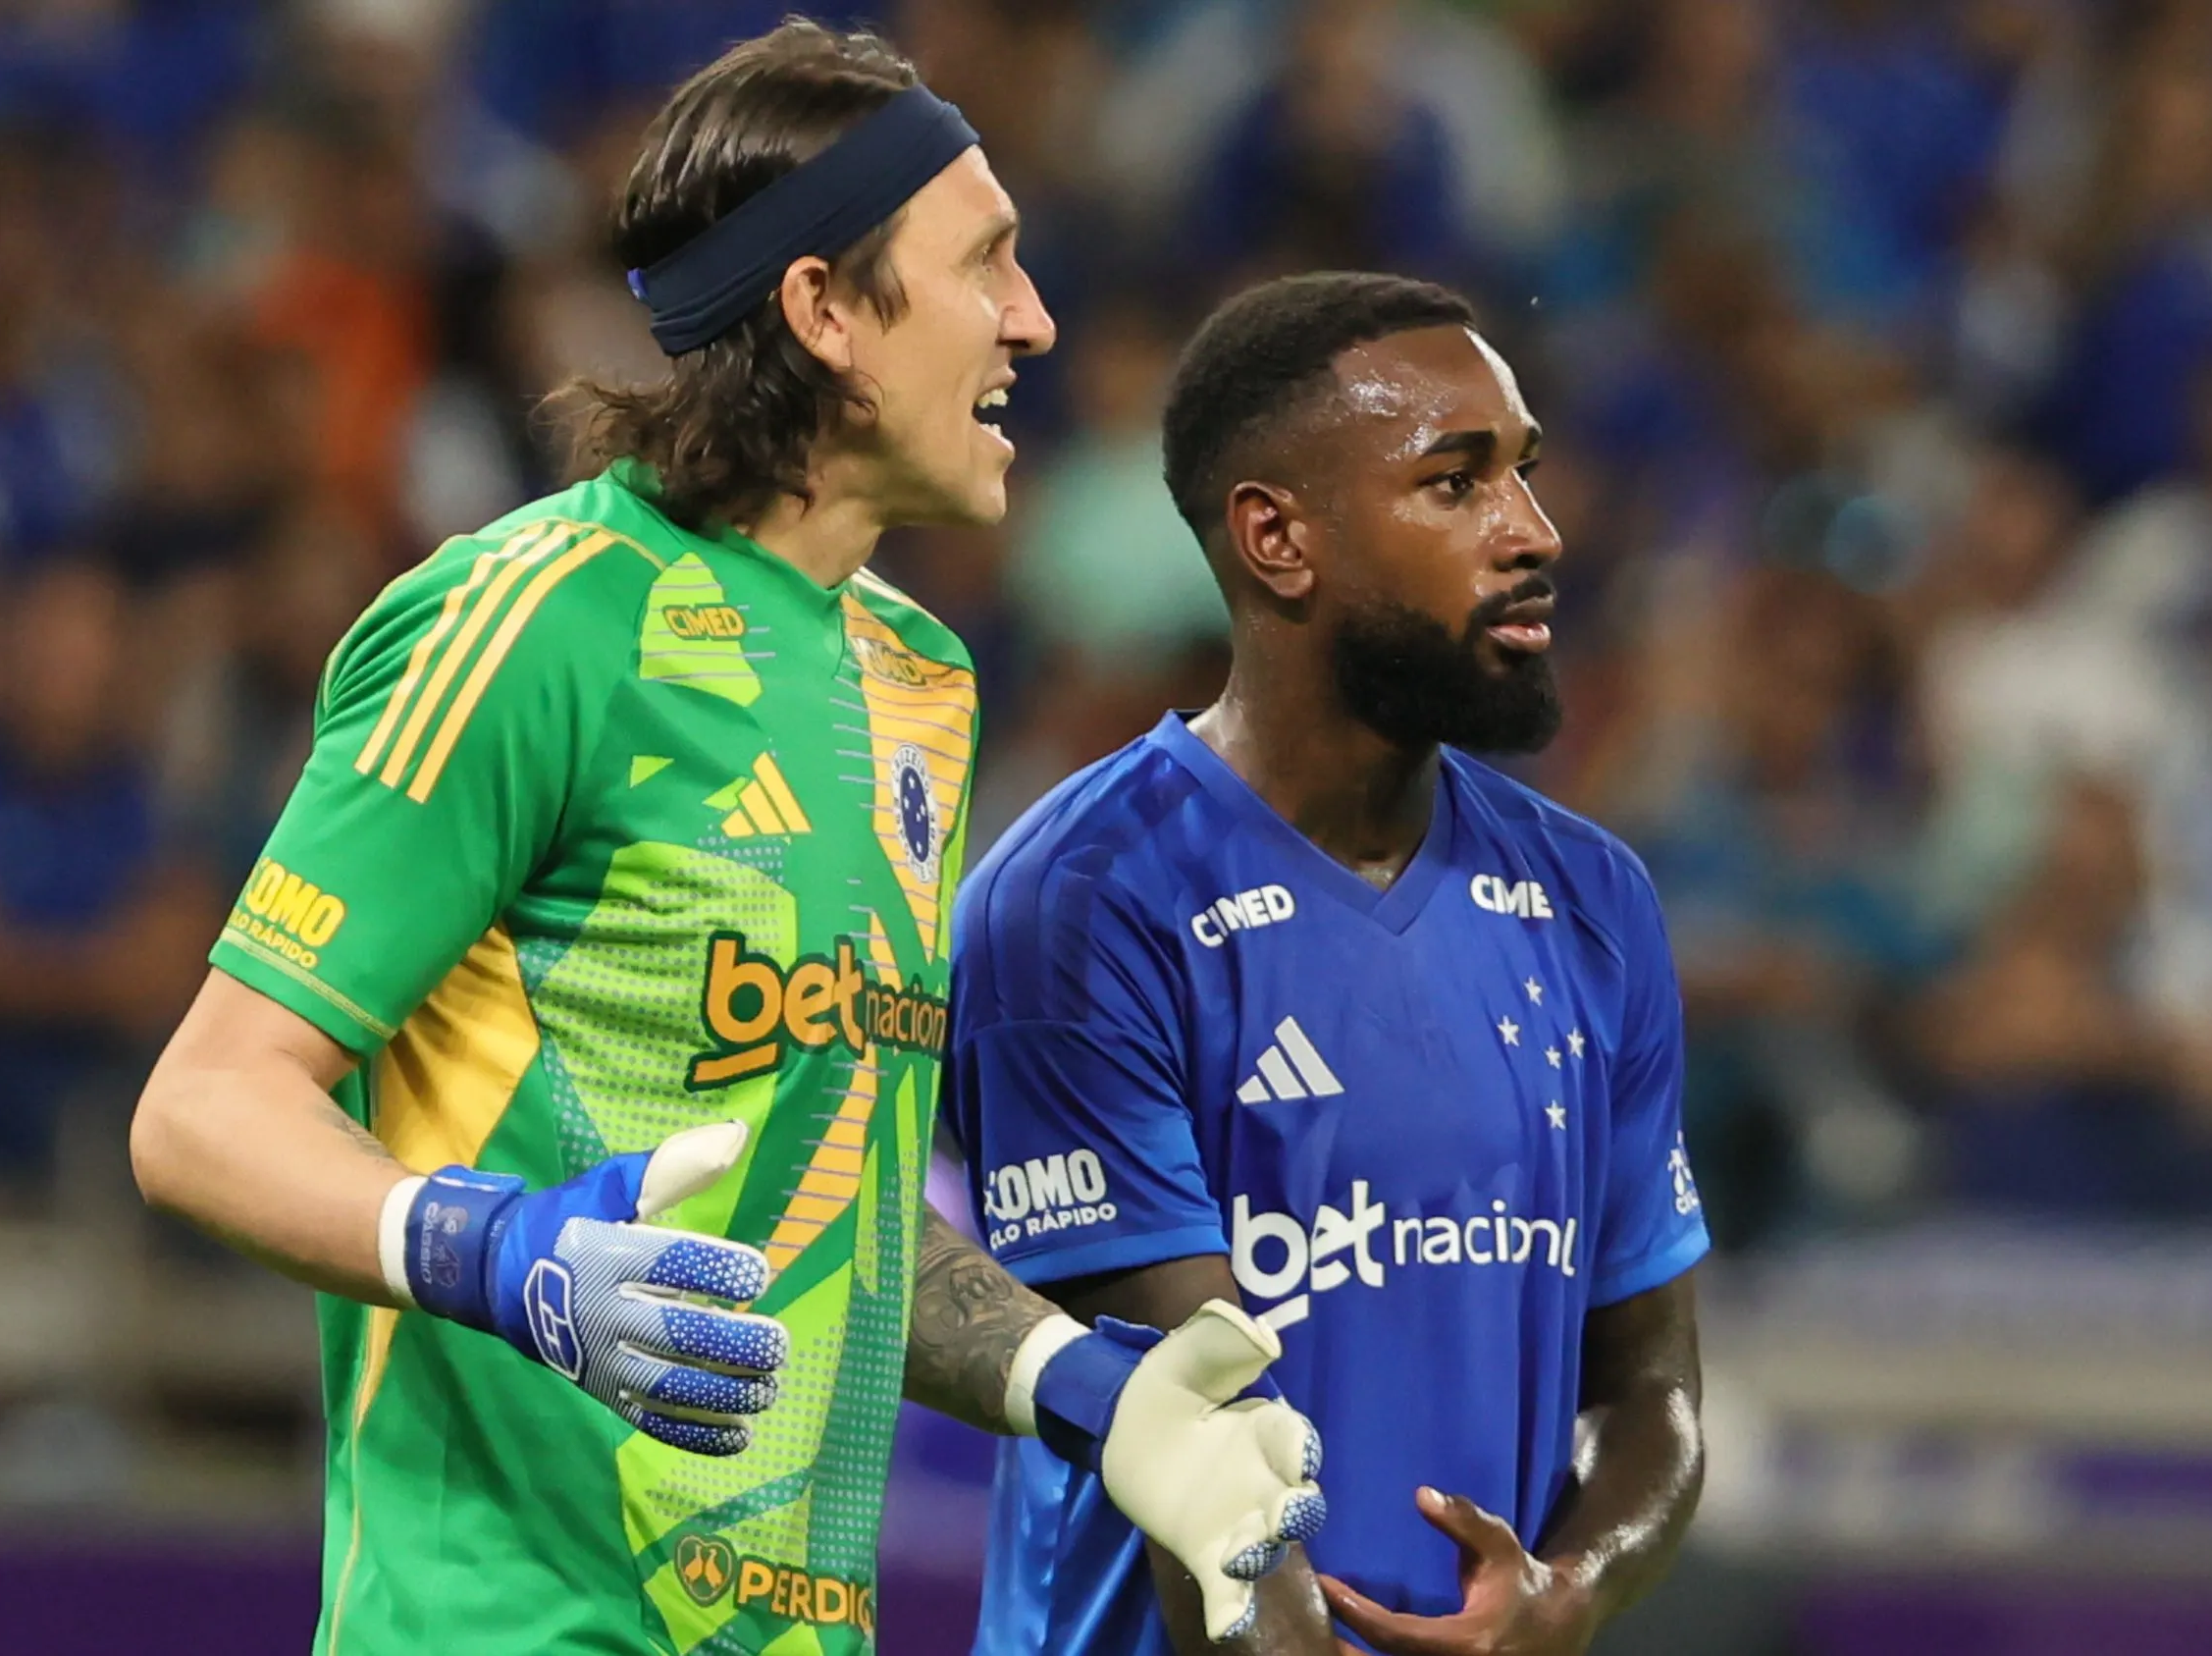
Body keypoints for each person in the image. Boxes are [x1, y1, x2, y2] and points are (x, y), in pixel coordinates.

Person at [129, 24, 1322, 1656]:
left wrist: (1082, 1392)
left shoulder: (922, 681)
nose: (1035, 320)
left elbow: (830, 1190)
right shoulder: (529, 622)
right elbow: (201, 1109)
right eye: (987, 262)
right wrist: (497, 1249)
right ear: (825, 310)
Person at [945, 271, 1709, 1656]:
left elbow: (1649, 1387)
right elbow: (1203, 1457)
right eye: (1454, 482)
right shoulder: (1084, 904)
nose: (1533, 532)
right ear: (1276, 538)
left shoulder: (1593, 904)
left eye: (1524, 473)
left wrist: (1578, 1578)